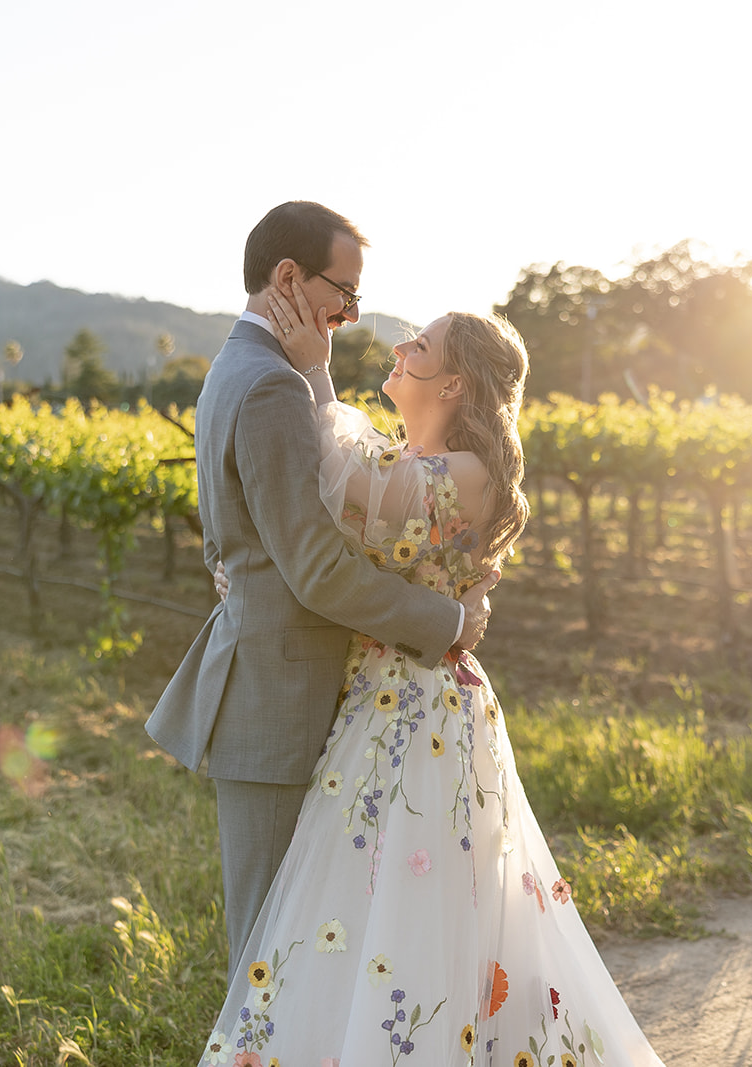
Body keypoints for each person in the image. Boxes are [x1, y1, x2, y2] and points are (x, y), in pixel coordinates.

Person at [192, 283, 669, 1065]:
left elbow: (336, 475)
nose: (401, 346)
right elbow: (330, 500)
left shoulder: (470, 473)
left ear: (453, 384)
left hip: (419, 718)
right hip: (370, 706)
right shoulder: (413, 459)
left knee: (407, 914)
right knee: (352, 911)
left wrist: (311, 367)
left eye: (421, 344)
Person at [145, 202, 501, 989]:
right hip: (277, 696)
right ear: (287, 277)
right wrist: (448, 620)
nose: (350, 312)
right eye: (344, 290)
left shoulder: (246, 369)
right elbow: (316, 568)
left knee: (301, 952)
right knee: (271, 959)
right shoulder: (272, 386)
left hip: (291, 688)